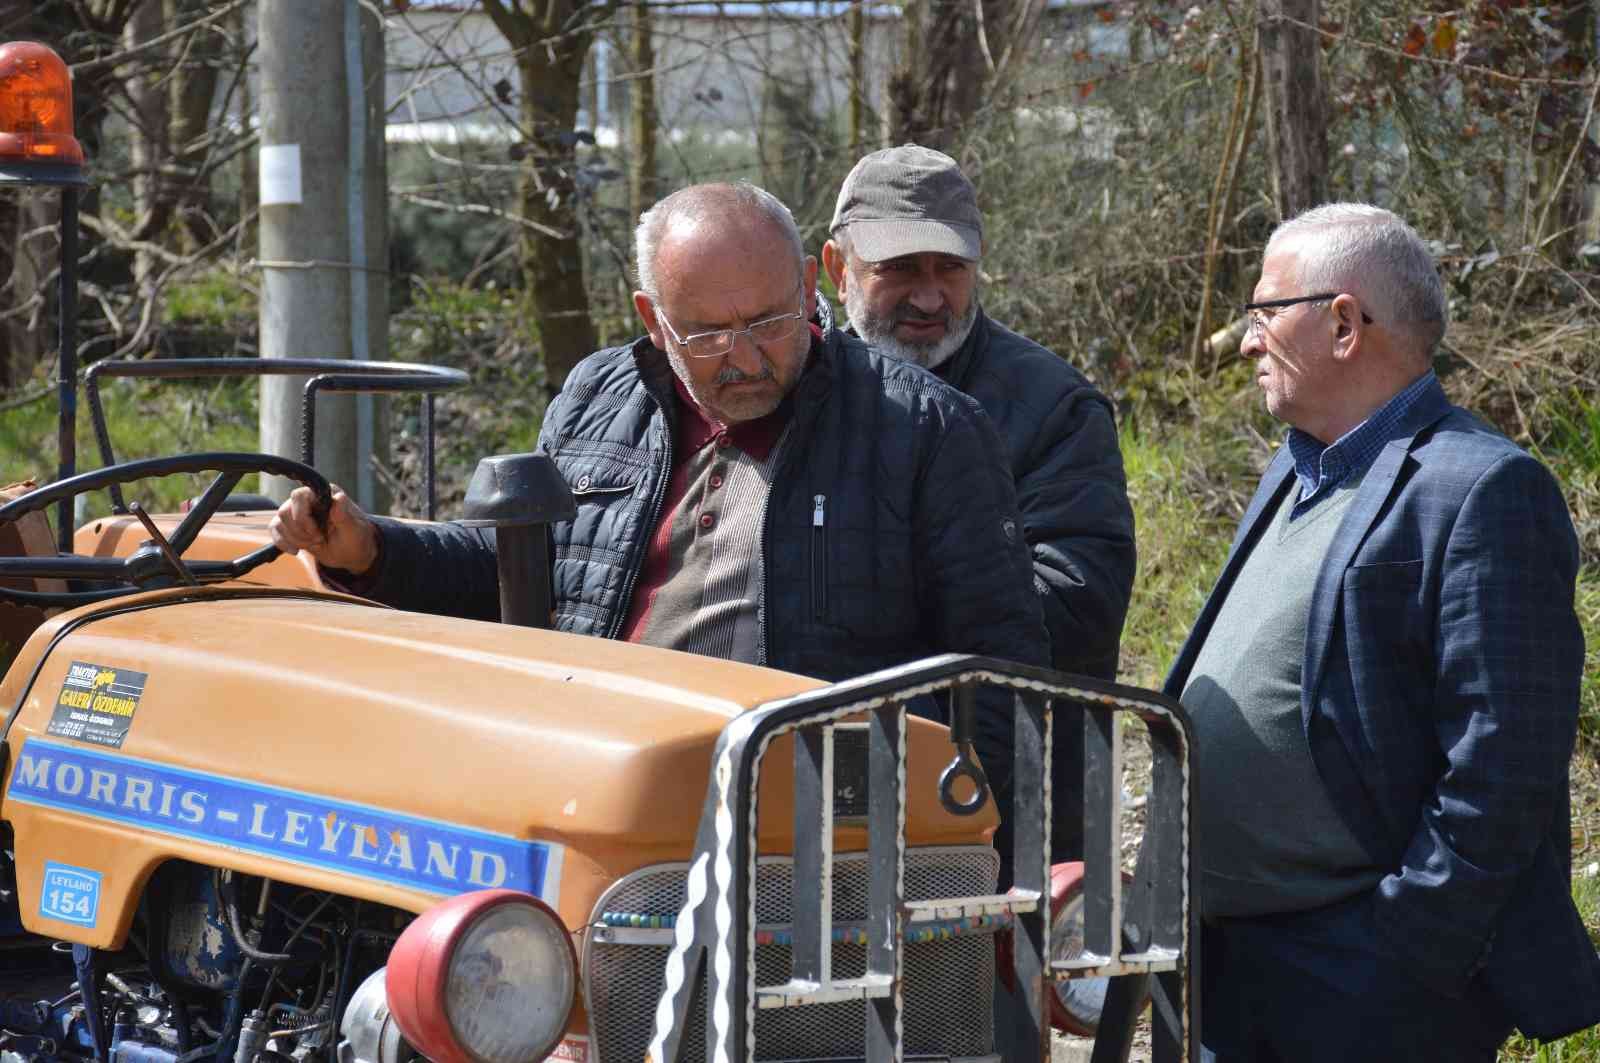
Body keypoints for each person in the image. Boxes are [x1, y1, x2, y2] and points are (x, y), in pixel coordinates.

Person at [271, 181, 1049, 796]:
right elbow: (515, 570)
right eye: (707, 335)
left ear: (810, 284)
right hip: (595, 770)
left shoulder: (926, 431)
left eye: (772, 322)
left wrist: (965, 861)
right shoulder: (595, 397)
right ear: (652, 318)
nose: (744, 358)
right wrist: (370, 548)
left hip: (810, 807)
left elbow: (1000, 679)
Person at [1166, 203, 1600, 1060]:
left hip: (1359, 981)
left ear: (1341, 323)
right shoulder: (1294, 470)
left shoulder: (1482, 489)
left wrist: (1405, 948)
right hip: (1233, 961)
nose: (1247, 340)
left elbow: (1502, 765)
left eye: (1265, 311)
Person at [822, 143, 1135, 861]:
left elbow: (1075, 603)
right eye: (900, 269)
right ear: (837, 269)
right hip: (824, 795)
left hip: (1010, 809)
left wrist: (860, 612)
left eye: (950, 269)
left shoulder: (1054, 409)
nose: (930, 297)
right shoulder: (801, 393)